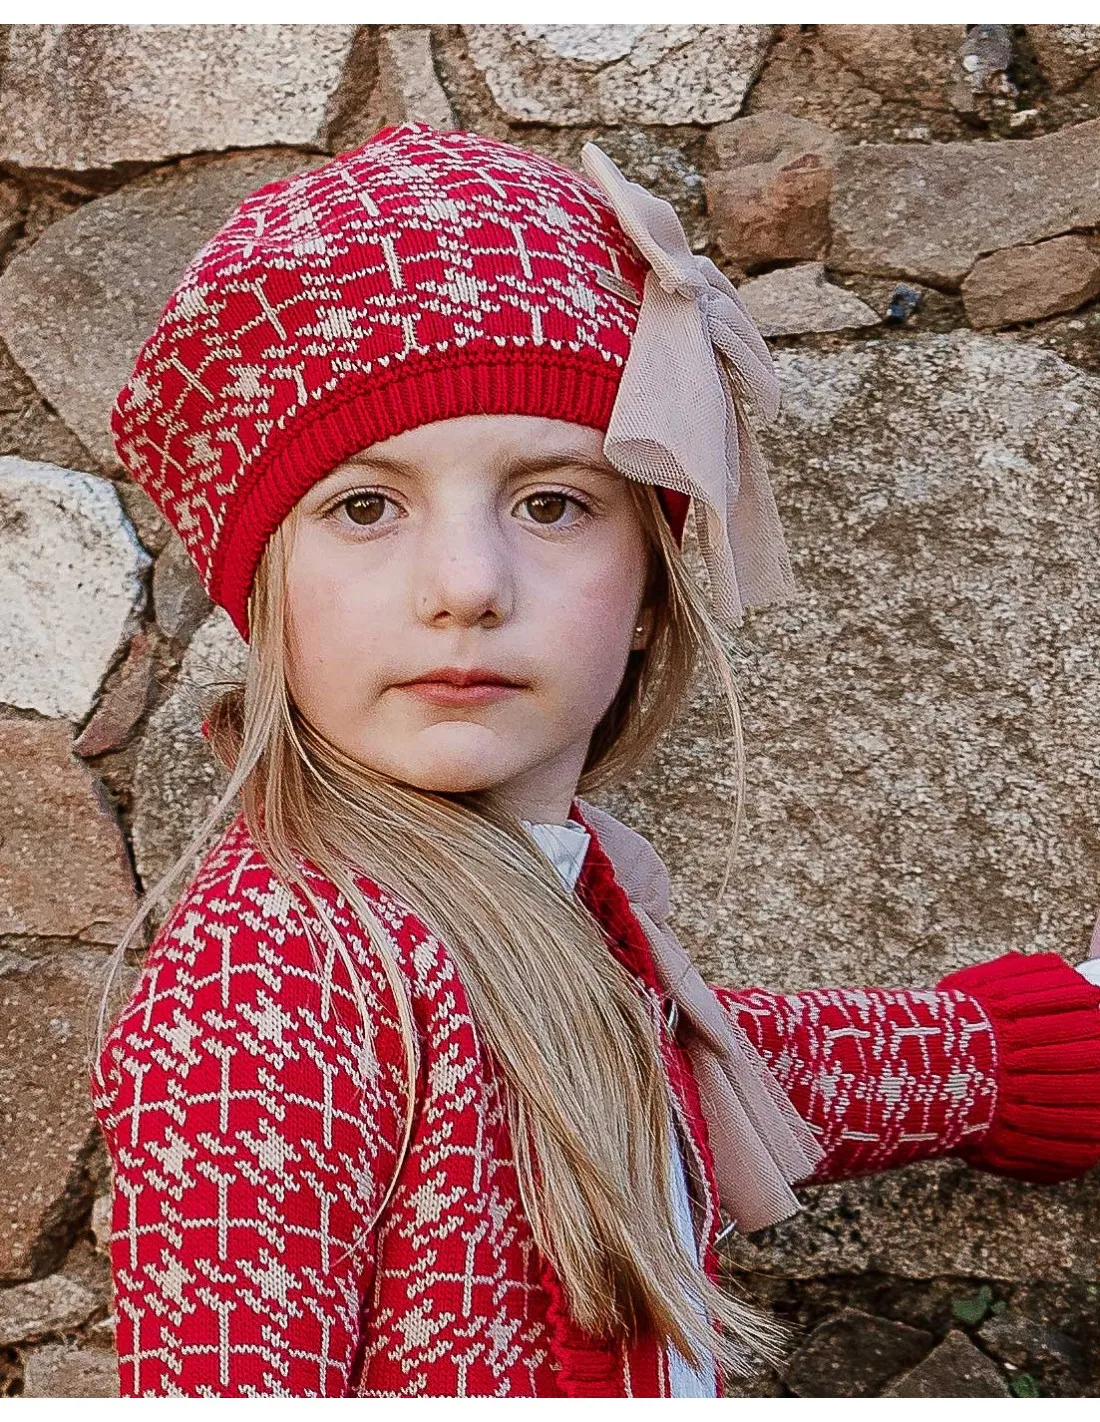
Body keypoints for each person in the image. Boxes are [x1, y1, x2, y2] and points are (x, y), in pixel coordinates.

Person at [88, 122, 1100, 1399]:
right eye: (363, 505)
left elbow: (687, 1062)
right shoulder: (273, 984)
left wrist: (1014, 1052)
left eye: (552, 502)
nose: (464, 587)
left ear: (647, 583)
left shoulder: (542, 909)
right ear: (266, 587)